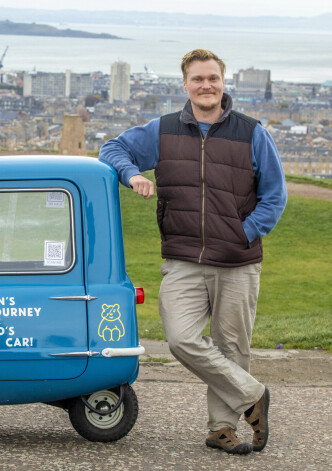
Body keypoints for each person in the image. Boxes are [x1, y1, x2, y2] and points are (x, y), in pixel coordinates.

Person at [99, 49, 287, 455]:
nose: (206, 86)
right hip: (183, 257)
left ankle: (222, 429)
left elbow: (275, 195)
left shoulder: (252, 132)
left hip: (237, 260)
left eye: (213, 79)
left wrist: (243, 232)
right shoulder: (162, 130)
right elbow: (112, 149)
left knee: (232, 346)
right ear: (185, 84)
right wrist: (132, 175)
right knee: (181, 338)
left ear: (223, 82)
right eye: (198, 79)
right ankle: (252, 393)